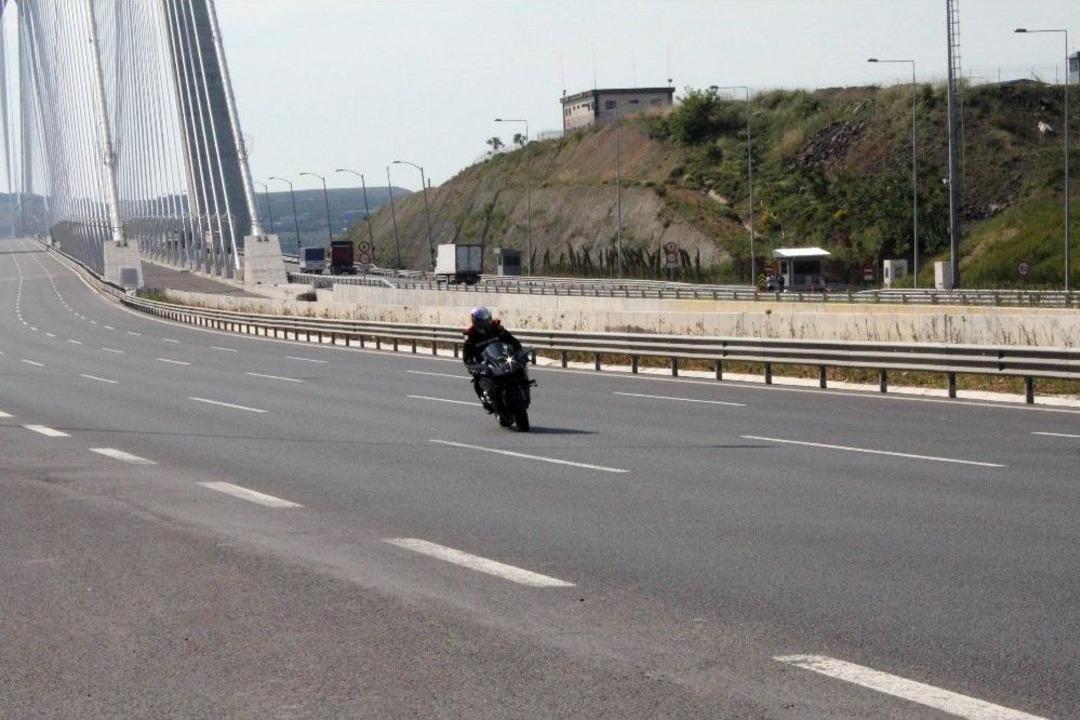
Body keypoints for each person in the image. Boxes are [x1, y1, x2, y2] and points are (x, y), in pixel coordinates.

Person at [462, 306, 521, 411]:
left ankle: (523, 387)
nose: (485, 323)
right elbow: (467, 357)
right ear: (475, 321)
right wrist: (473, 366)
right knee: (477, 380)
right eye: (482, 321)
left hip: (501, 358)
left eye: (486, 320)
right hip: (485, 364)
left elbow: (512, 341)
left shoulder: (496, 327)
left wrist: (517, 350)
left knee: (520, 368)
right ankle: (487, 400)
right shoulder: (470, 335)